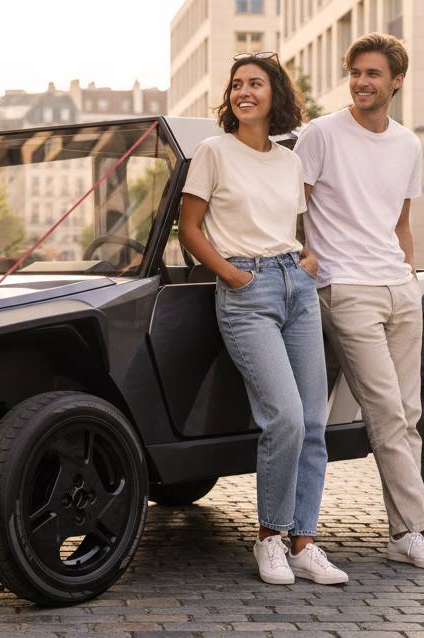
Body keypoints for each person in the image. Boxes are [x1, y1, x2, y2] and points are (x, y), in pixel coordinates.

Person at [293, 32, 424, 568]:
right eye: (356, 73)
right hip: (345, 287)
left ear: (396, 81)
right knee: (384, 412)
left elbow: (401, 222)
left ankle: (405, 534)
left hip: (398, 286)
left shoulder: (408, 144)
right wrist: (307, 259)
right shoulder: (320, 135)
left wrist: (410, 277)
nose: (362, 83)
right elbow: (293, 207)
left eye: (373, 74)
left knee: (408, 413)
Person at [179, 52, 348, 585]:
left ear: (275, 94)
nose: (243, 92)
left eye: (255, 83)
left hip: (295, 287)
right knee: (286, 418)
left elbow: (293, 225)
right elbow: (190, 229)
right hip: (247, 294)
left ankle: (305, 542)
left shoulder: (288, 159)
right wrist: (232, 275)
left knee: (315, 422)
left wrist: (308, 256)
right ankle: (270, 538)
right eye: (236, 85)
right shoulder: (213, 151)